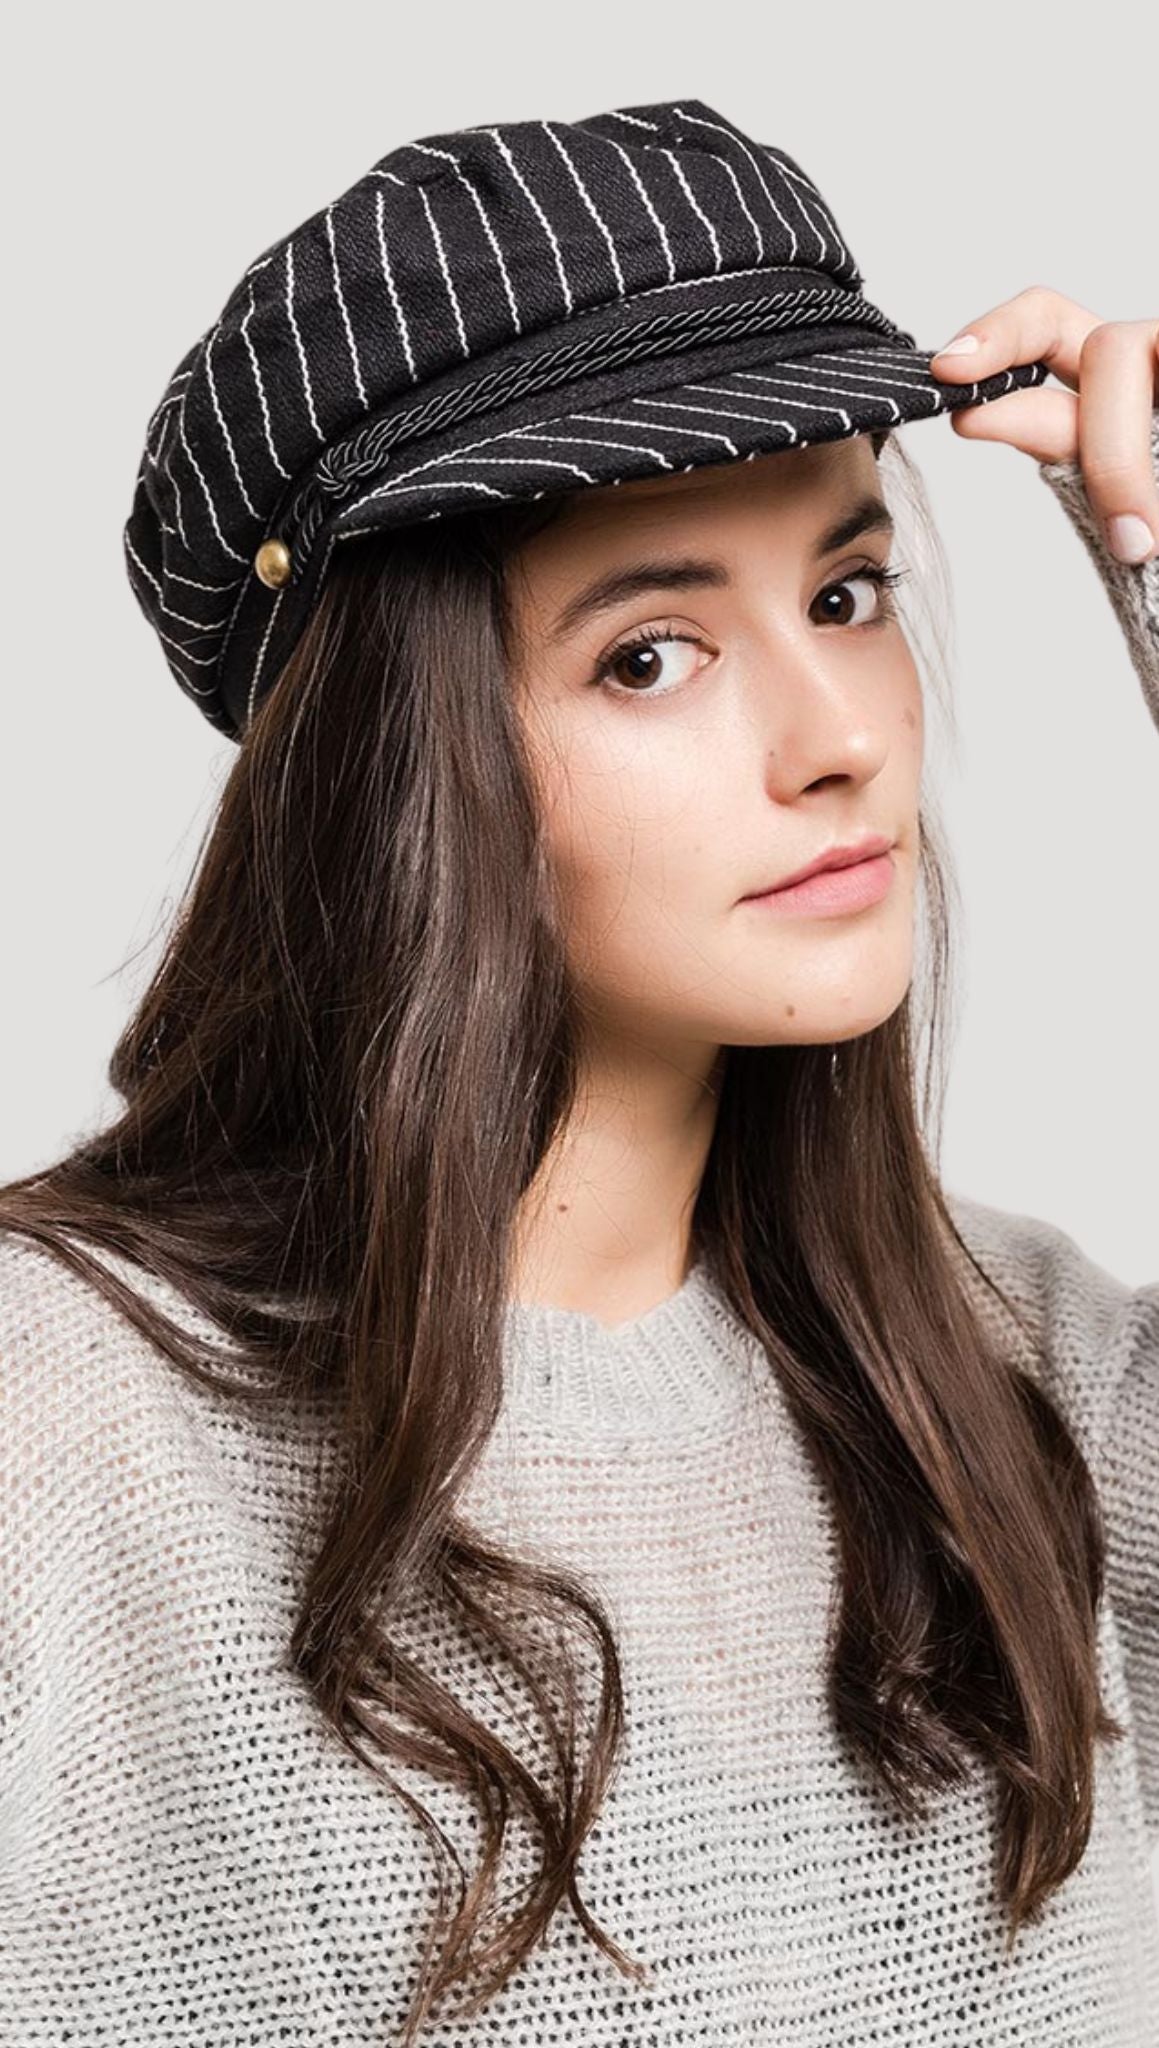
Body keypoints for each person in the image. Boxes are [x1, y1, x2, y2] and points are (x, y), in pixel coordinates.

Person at [0, 95, 1156, 2048]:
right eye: (649, 653)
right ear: (398, 771)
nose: (839, 738)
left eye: (846, 592)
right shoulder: (64, 1425)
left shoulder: (1029, 1384)